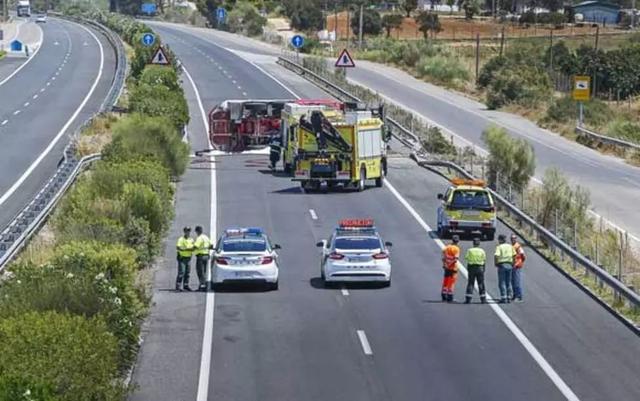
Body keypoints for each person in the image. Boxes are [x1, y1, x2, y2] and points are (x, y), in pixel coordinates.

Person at [464, 237, 487, 304]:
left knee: (470, 283)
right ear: (479, 243)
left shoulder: (470, 250)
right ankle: (483, 299)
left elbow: (467, 258)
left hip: (472, 267)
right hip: (480, 267)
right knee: (481, 283)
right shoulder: (482, 251)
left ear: (473, 243)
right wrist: (483, 269)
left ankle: (468, 299)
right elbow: (484, 260)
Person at [494, 234, 515, 303]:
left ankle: (504, 297)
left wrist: (496, 263)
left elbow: (496, 255)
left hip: (502, 265)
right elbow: (514, 255)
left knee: (502, 282)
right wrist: (513, 263)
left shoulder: (499, 247)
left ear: (500, 240)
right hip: (509, 264)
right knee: (508, 282)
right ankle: (509, 297)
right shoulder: (510, 246)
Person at [441, 235, 461, 303]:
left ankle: (443, 295)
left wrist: (445, 265)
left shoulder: (447, 247)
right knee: (452, 282)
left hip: (447, 267)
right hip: (453, 267)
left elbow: (443, 258)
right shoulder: (456, 249)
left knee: (445, 281)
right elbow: (455, 259)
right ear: (458, 241)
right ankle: (450, 297)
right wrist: (450, 264)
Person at [176, 226, 195, 292]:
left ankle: (186, 285)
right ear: (184, 232)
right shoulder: (181, 239)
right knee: (181, 272)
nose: (188, 232)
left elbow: (193, 248)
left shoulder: (191, 239)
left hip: (188, 258)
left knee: (187, 272)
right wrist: (187, 249)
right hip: (182, 258)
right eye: (187, 231)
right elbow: (178, 247)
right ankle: (178, 286)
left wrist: (187, 249)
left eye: (189, 231)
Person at [194, 226, 212, 292]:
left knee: (200, 272)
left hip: (200, 256)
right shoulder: (206, 237)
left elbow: (196, 246)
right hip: (206, 256)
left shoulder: (199, 238)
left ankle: (203, 286)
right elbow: (211, 245)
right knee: (204, 271)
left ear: (197, 231)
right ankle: (203, 285)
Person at [511, 234, 526, 302]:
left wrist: (519, 263)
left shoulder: (518, 246)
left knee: (516, 281)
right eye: (512, 238)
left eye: (514, 238)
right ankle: (514, 295)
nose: (513, 239)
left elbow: (523, 256)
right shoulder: (512, 246)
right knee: (513, 281)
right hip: (513, 265)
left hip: (517, 266)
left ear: (516, 239)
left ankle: (519, 296)